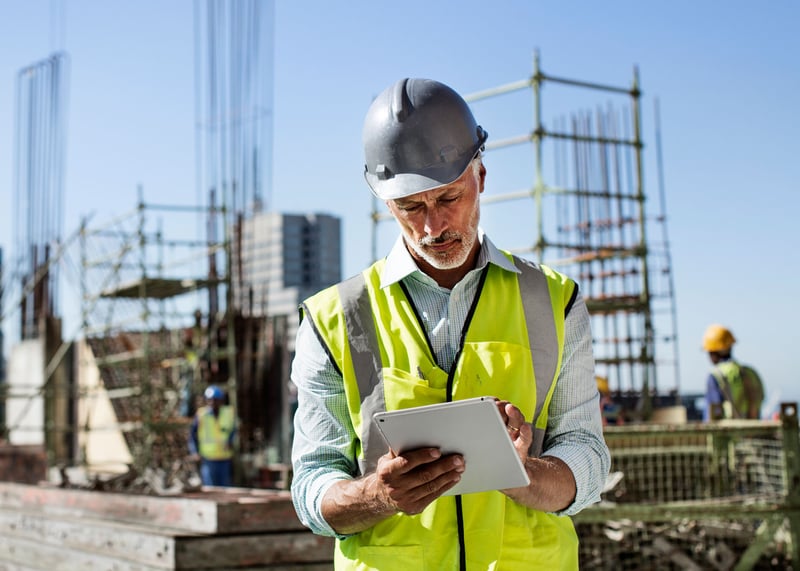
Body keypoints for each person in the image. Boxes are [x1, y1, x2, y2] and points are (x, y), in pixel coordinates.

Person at [290, 77, 610, 569]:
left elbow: (587, 457)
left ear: (480, 176)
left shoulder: (555, 301)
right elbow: (312, 485)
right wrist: (379, 495)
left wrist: (523, 471)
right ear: (384, 202)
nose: (431, 227)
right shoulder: (333, 319)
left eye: (448, 198)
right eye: (410, 207)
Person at [702, 324, 764, 421]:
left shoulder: (716, 376)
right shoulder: (751, 373)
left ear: (713, 352)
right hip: (754, 433)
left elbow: (712, 415)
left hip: (728, 434)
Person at [188, 384, 237, 486]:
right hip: (208, 460)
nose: (213, 403)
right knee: (210, 488)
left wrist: (230, 442)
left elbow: (233, 430)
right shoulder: (201, 415)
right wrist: (194, 452)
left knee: (225, 490)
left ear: (221, 401)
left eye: (216, 400)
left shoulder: (228, 413)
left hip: (224, 459)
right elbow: (192, 435)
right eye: (210, 400)